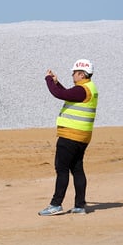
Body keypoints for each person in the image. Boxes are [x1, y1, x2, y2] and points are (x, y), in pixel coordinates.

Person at [39, 59, 99, 216]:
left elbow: (59, 94)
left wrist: (48, 80)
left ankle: (56, 204)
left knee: (62, 169)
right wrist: (56, 82)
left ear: (81, 74)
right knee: (77, 169)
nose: (72, 75)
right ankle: (80, 206)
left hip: (70, 136)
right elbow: (68, 94)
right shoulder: (88, 88)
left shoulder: (81, 89)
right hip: (82, 136)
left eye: (74, 72)